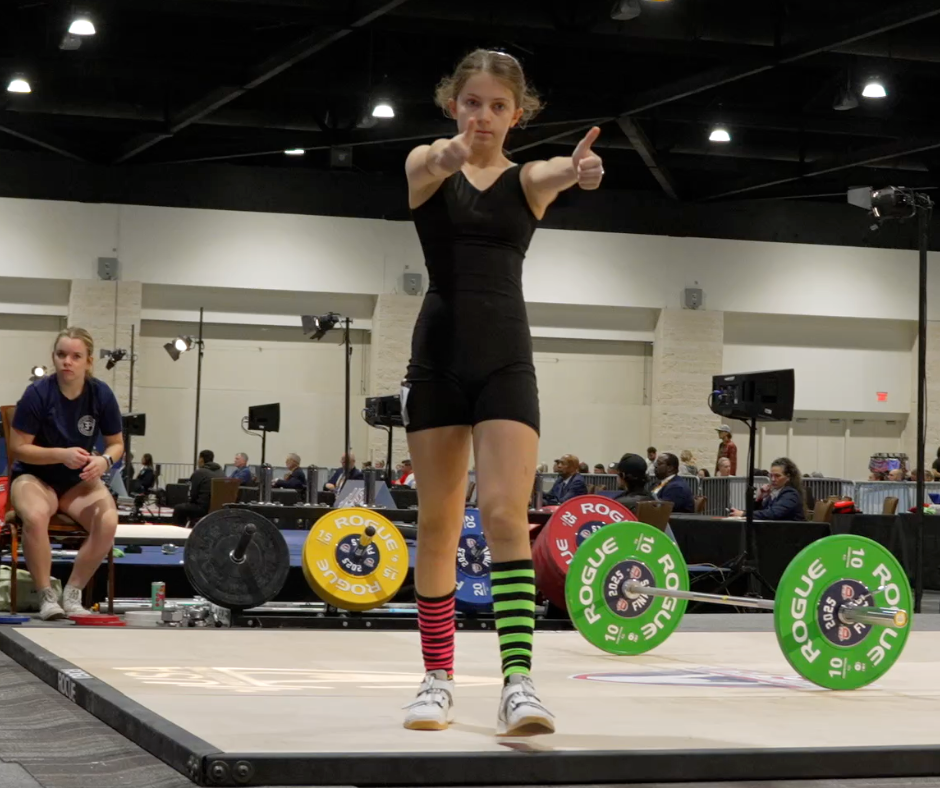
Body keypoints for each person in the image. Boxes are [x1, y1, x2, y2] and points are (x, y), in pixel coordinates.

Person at [400, 48, 603, 735]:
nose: (482, 115)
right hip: (436, 361)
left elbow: (554, 171)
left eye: (495, 105)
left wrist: (578, 169)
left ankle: (518, 683)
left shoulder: (532, 181)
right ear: (452, 106)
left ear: (518, 114)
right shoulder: (425, 162)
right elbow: (428, 165)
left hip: (505, 363)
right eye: (470, 103)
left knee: (505, 514)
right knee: (437, 520)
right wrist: (447, 156)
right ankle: (436, 678)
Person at [7, 327, 124, 621]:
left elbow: (116, 443)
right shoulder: (37, 394)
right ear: (53, 358)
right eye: (61, 355)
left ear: (88, 362)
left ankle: (73, 593)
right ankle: (46, 594)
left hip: (77, 483)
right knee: (34, 516)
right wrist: (61, 454)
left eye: (75, 356)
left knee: (108, 519)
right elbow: (18, 447)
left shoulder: (101, 394)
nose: (67, 362)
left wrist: (105, 461)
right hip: (35, 478)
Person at [731, 457, 806, 520]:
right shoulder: (775, 493)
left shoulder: (791, 494)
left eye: (777, 476)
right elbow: (759, 512)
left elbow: (773, 513)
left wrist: (744, 514)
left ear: (788, 477)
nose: (773, 479)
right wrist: (759, 498)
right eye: (771, 476)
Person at [173, 450, 223, 527]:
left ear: (201, 459)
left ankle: (179, 534)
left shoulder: (199, 472)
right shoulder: (221, 472)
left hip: (203, 509)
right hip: (219, 509)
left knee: (179, 508)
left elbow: (193, 495)